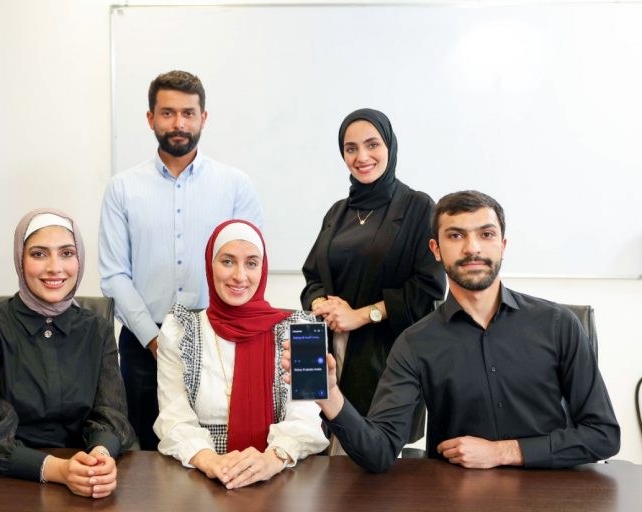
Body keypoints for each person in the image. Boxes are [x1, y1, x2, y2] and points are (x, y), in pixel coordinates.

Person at [284, 191, 620, 472]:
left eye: (486, 234)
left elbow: (603, 435)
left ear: (502, 245)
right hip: (456, 498)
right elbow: (380, 451)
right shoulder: (415, 343)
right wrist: (330, 397)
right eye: (456, 236)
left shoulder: (559, 324)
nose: (472, 248)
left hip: (553, 496)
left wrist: (503, 452)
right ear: (435, 249)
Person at [99, 70, 263, 450]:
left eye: (188, 113)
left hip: (220, 340)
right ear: (150, 118)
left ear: (203, 117)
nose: (179, 123)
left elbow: (250, 265)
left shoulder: (235, 186)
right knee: (143, 452)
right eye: (168, 113)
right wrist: (156, 341)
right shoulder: (122, 188)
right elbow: (114, 275)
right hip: (144, 344)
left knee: (216, 449)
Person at [0, 209, 134, 498]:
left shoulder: (97, 329)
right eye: (39, 254)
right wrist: (58, 470)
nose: (55, 268)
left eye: (67, 253)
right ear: (20, 260)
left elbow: (112, 415)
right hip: (7, 480)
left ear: (79, 260)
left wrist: (100, 457)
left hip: (85, 476)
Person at [300, 108, 446, 446]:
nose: (362, 157)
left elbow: (428, 288)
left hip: (384, 355)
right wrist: (322, 305)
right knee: (322, 454)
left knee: (374, 456)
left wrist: (361, 315)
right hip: (328, 349)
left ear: (389, 146)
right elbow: (312, 276)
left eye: (372, 145)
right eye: (350, 148)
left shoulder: (418, 207)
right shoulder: (338, 211)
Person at [154, 220, 328, 489]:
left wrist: (272, 459)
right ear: (210, 265)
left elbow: (307, 419)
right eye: (227, 261)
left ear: (263, 268)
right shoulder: (179, 330)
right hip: (202, 478)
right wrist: (211, 461)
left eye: (251, 263)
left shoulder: (304, 332)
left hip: (282, 479)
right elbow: (173, 416)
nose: (239, 275)